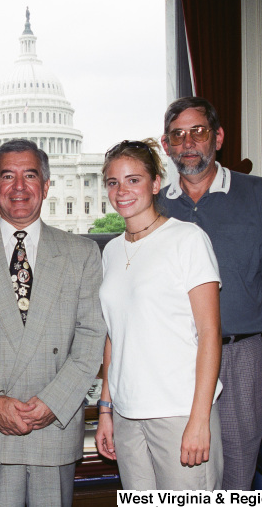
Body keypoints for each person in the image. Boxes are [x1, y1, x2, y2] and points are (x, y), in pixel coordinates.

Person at [0, 139, 108, 507]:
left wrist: (54, 401)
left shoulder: (82, 254)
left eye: (30, 175)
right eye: (8, 176)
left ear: (46, 185)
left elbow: (92, 335)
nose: (19, 188)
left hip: (54, 423)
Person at [159, 97, 262, 490]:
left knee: (236, 480)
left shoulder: (257, 194)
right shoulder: (154, 205)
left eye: (198, 132)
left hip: (240, 359)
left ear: (218, 137)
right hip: (175, 362)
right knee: (181, 479)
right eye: (177, 135)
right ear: (166, 145)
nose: (187, 143)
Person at [94, 139, 223, 490]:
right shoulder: (112, 252)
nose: (122, 191)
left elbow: (210, 333)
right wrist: (105, 409)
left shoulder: (187, 239)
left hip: (179, 411)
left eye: (133, 180)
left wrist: (199, 420)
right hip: (126, 413)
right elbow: (113, 336)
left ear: (154, 184)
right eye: (113, 182)